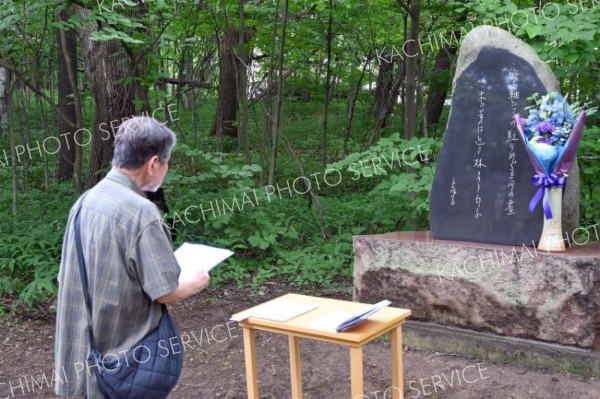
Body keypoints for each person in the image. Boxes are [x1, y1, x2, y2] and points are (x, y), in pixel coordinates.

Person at [54, 116, 209, 398]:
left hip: (79, 360)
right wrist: (198, 279)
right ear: (152, 164)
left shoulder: (85, 201)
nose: (166, 169)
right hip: (119, 367)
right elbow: (166, 291)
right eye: (166, 162)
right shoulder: (142, 212)